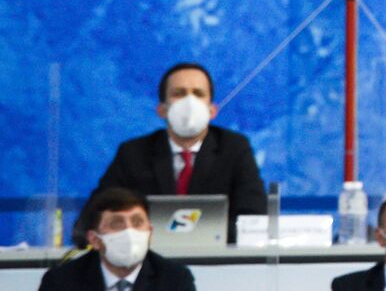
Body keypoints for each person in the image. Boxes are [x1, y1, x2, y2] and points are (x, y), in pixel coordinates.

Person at [94, 62, 266, 243]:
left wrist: (205, 238)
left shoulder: (234, 148)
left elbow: (253, 218)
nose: (189, 102)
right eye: (179, 93)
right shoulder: (133, 153)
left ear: (212, 110)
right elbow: (99, 212)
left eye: (198, 94)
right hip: (149, 260)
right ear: (161, 110)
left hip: (219, 261)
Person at [40, 187, 196, 291]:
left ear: (150, 232)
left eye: (137, 222)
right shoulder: (60, 282)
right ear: (94, 239)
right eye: (116, 224)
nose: (129, 232)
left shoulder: (175, 280)